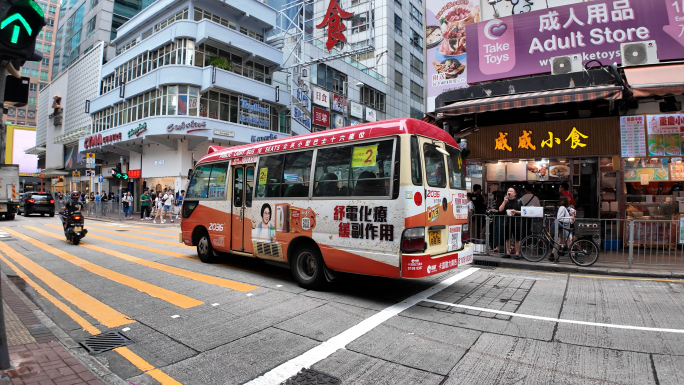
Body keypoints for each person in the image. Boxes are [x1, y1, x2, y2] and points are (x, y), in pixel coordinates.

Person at [499, 187, 522, 259]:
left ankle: (517, 253)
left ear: (515, 193)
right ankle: (507, 252)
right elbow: (500, 210)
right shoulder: (506, 201)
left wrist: (515, 211)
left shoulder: (518, 201)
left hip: (516, 222)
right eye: (508, 191)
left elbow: (523, 211)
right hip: (507, 222)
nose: (509, 192)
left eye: (511, 191)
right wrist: (504, 201)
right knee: (507, 238)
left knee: (517, 238)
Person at [551, 195, 575, 261]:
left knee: (561, 241)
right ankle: (573, 257)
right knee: (567, 242)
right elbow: (560, 218)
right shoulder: (562, 208)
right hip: (564, 227)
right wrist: (570, 219)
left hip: (564, 227)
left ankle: (553, 255)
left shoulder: (563, 208)